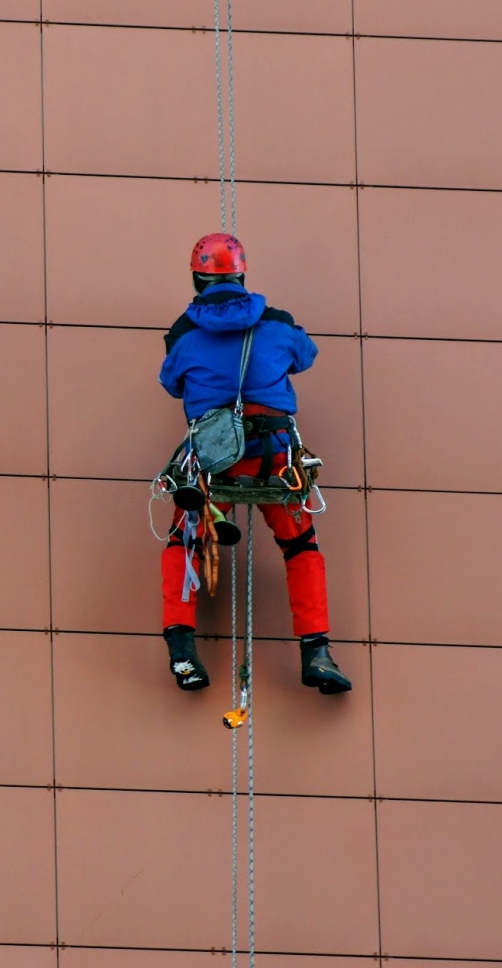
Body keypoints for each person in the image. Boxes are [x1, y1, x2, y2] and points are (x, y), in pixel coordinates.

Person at [157, 232, 351, 695]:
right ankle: (317, 651)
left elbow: (173, 384)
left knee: (182, 541)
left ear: (196, 277)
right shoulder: (278, 323)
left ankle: (182, 649)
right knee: (301, 545)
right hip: (274, 458)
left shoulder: (182, 332)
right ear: (241, 273)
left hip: (213, 462)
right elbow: (306, 355)